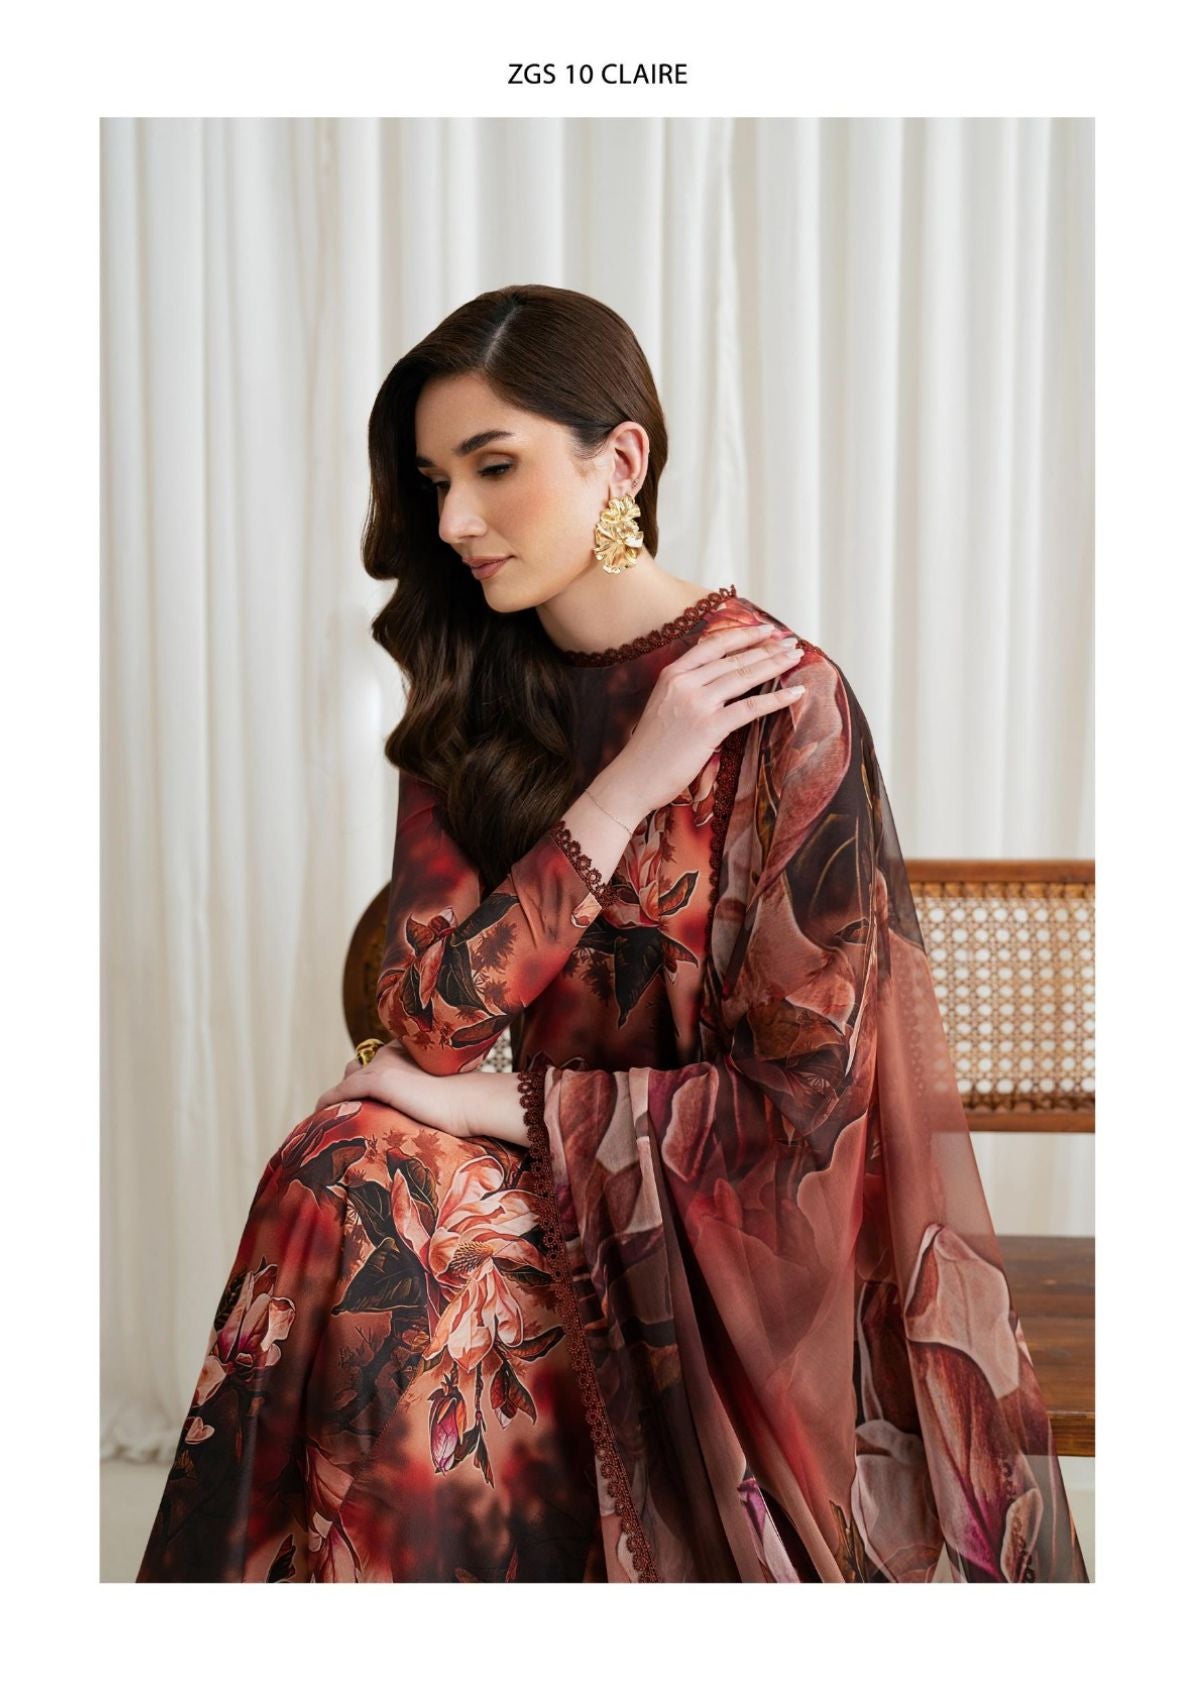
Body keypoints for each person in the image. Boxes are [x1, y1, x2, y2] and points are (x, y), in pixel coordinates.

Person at [136, 283, 1088, 1583]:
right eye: (436, 482)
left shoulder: (779, 701)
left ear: (620, 461)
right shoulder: (472, 694)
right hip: (551, 1197)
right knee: (351, 1167)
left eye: (494, 468)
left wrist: (490, 1109)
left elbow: (807, 1109)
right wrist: (627, 786)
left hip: (729, 1244)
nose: (455, 522)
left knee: (379, 1189)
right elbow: (430, 1019)